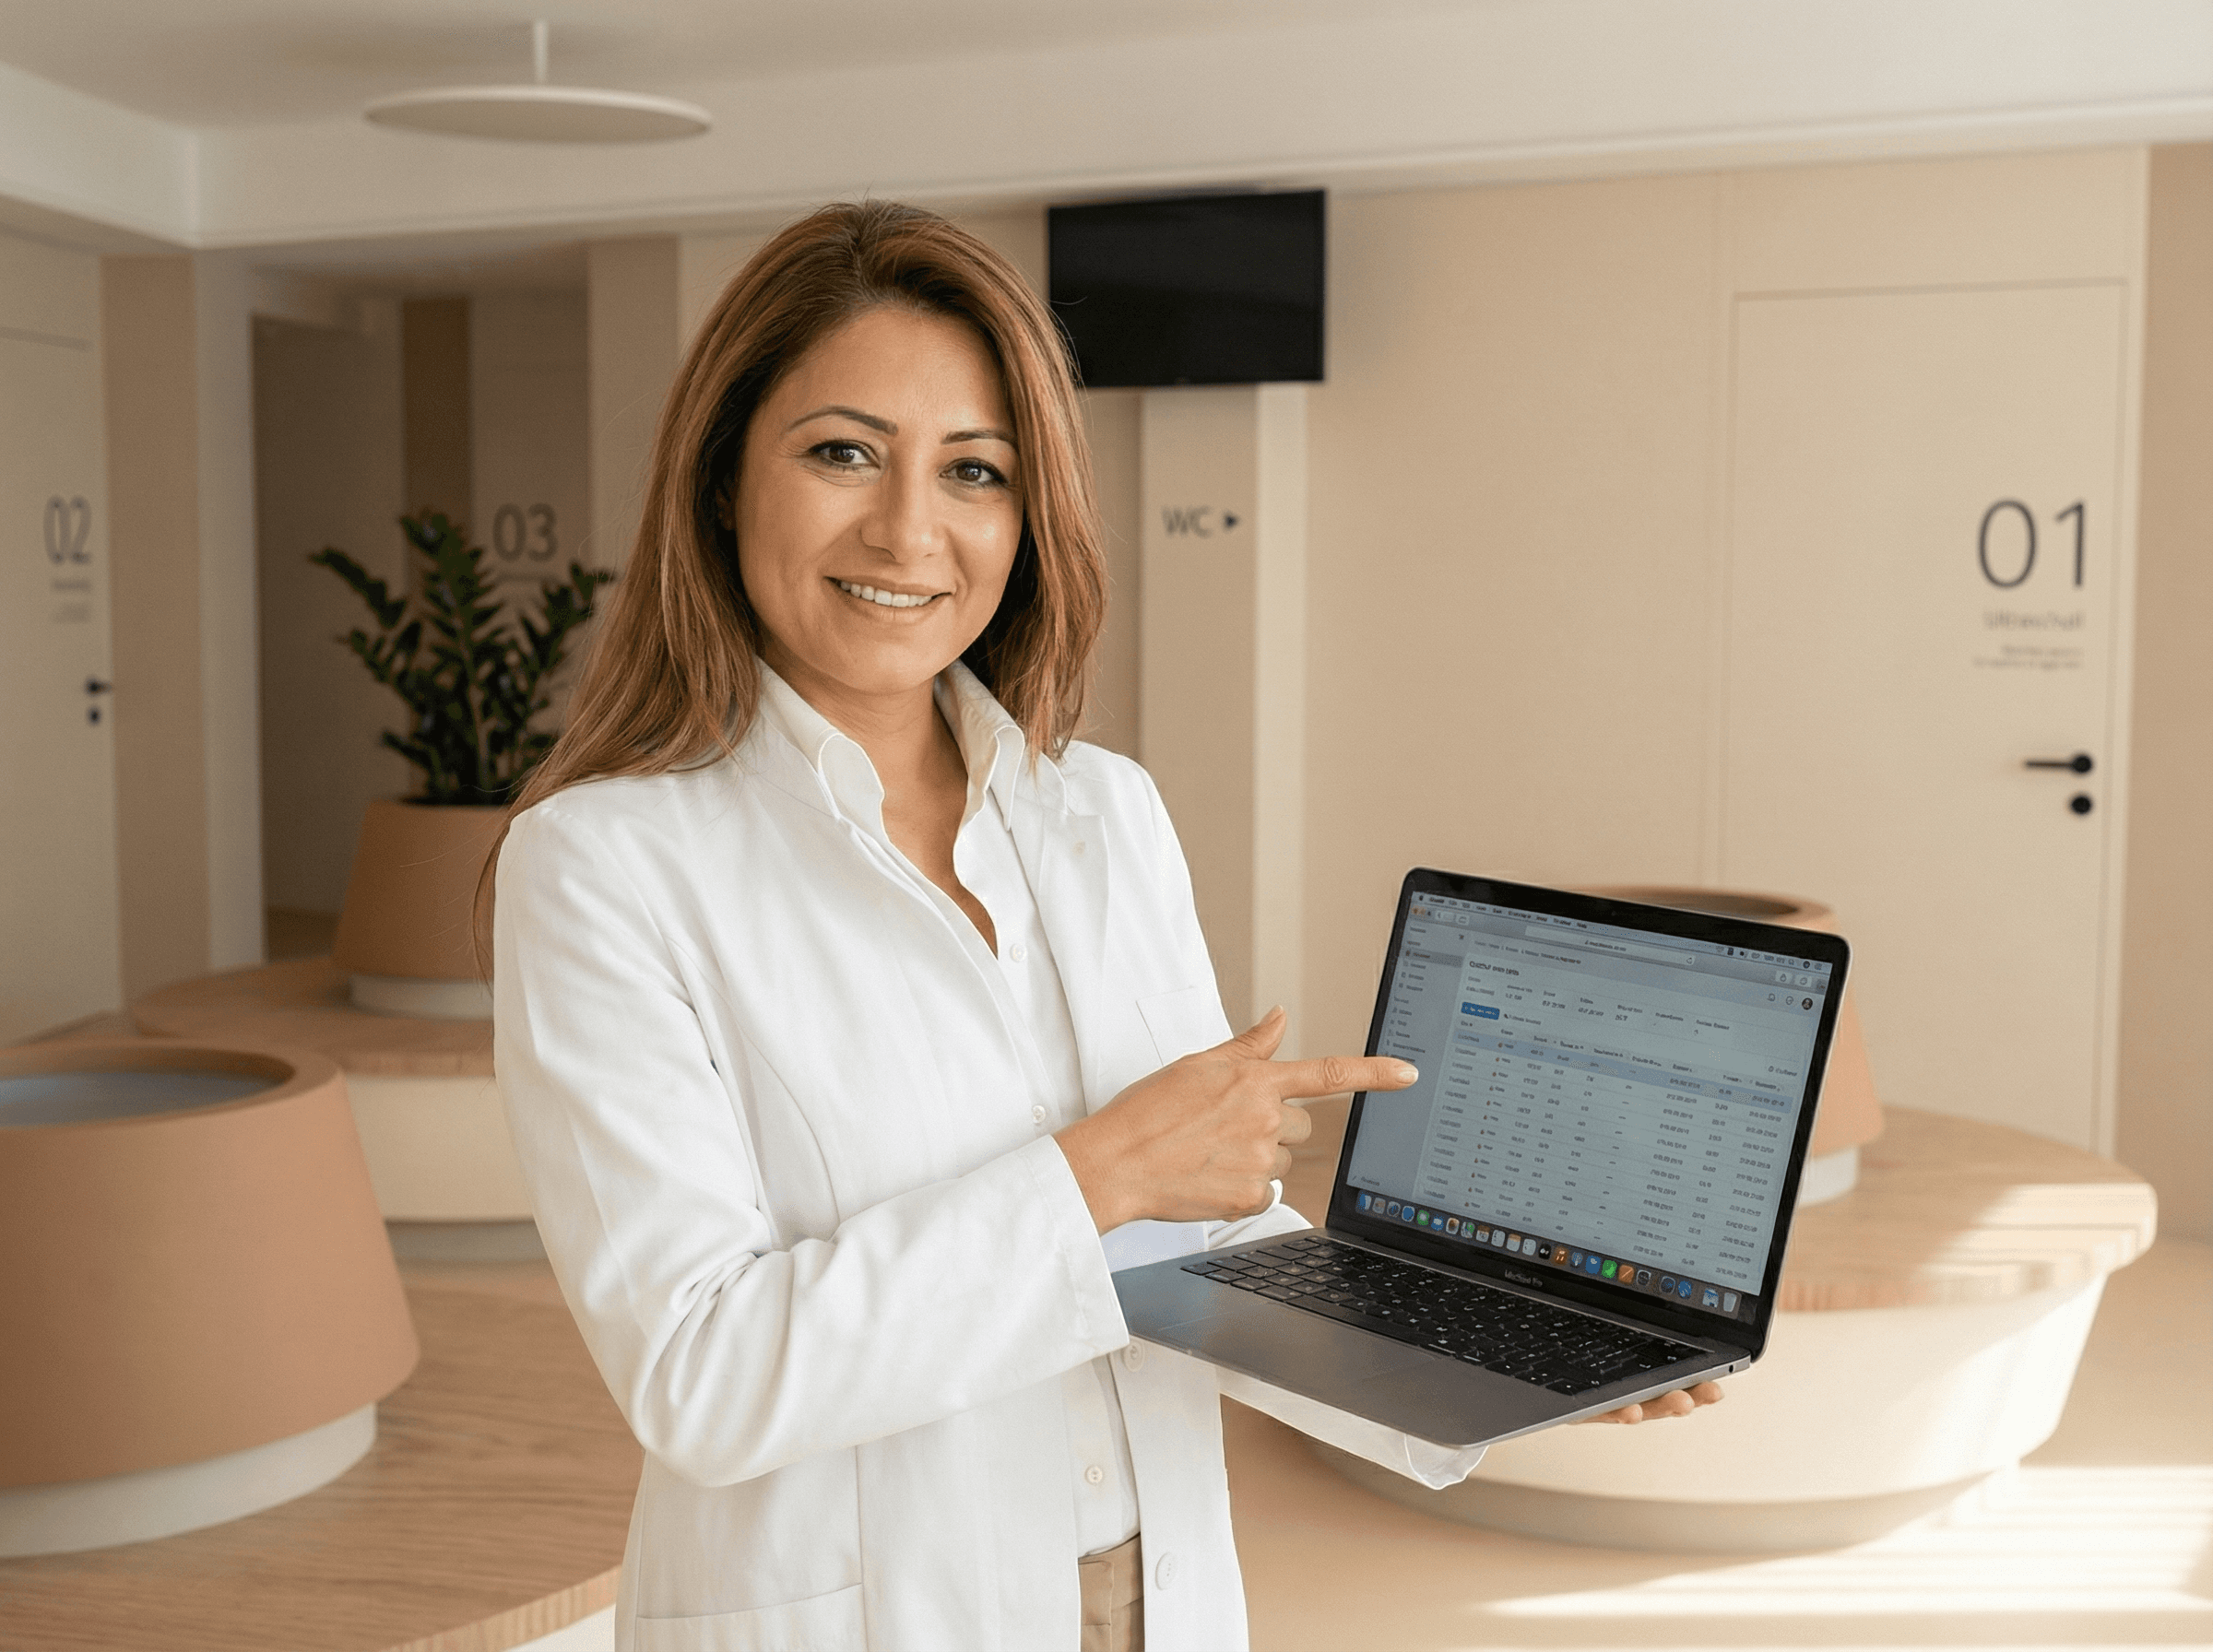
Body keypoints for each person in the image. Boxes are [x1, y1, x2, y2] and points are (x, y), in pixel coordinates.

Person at [491, 200, 1719, 1652]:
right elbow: (702, 1372)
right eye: (841, 452)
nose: (908, 529)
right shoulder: (602, 866)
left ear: (1029, 513)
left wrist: (1508, 1355)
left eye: (974, 471)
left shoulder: (1106, 813)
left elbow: (1197, 1254)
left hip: (1155, 1598)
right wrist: (1096, 1177)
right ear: (719, 484)